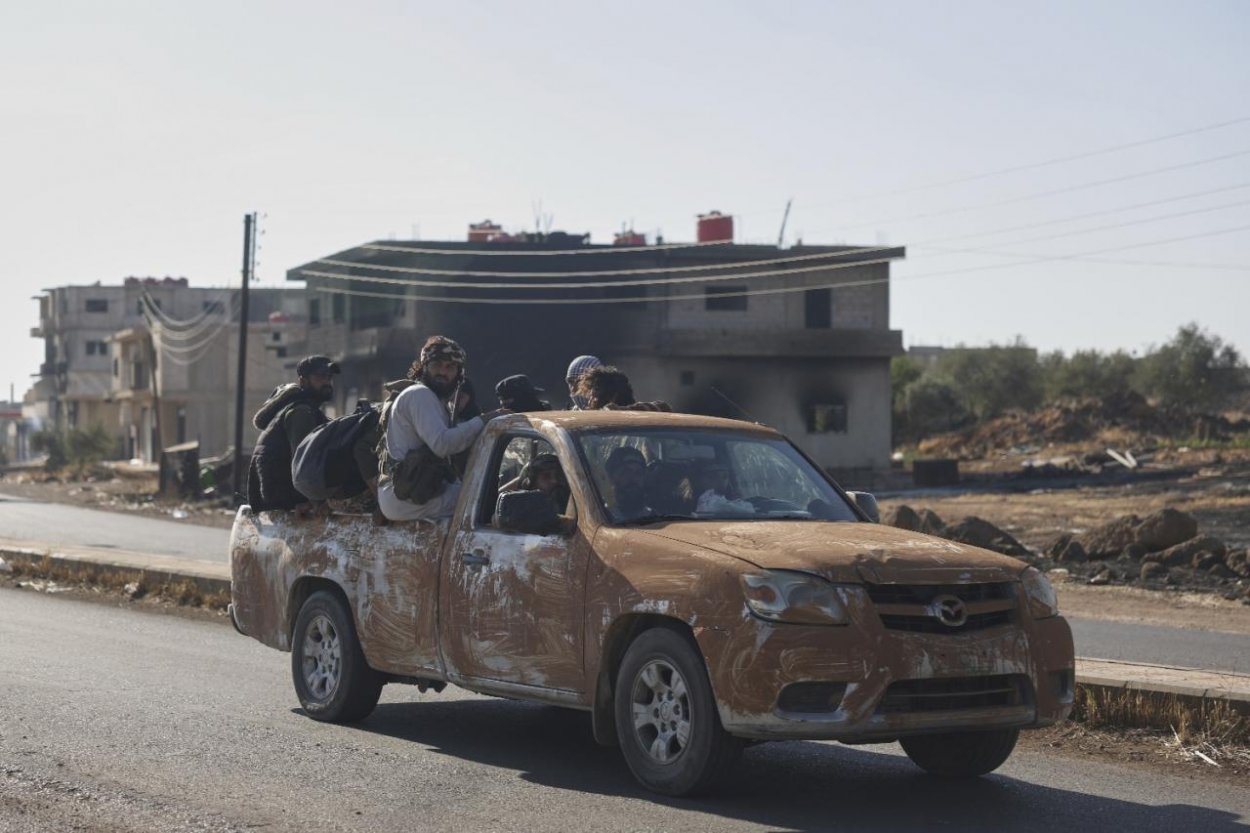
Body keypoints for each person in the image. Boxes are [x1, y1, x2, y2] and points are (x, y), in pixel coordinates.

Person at [377, 336, 506, 522]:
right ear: (424, 367)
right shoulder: (420, 395)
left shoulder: (433, 400)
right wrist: (483, 420)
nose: (443, 372)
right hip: (406, 497)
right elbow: (442, 444)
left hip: (411, 493)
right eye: (437, 365)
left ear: (459, 373)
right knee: (485, 502)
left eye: (450, 367)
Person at [246, 355, 338, 511]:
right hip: (283, 496)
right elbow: (302, 461)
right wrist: (316, 502)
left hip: (277, 493)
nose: (327, 382)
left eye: (329, 377)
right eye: (320, 377)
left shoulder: (308, 410)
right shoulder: (301, 412)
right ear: (303, 381)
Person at [576, 366, 672, 412]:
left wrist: (620, 411)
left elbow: (663, 407)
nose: (590, 402)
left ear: (612, 397)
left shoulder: (641, 418)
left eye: (595, 397)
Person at [604, 445, 652, 520]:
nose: (633, 478)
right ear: (612, 478)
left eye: (638, 473)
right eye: (626, 472)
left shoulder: (657, 519)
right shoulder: (602, 518)